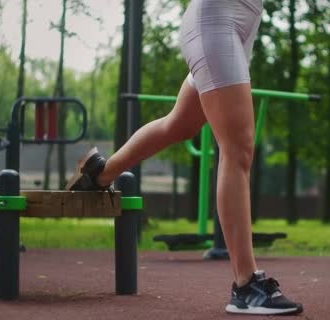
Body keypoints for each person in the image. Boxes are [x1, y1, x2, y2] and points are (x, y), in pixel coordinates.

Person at [66, 0, 303, 315]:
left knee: (179, 125)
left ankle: (100, 172)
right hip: (216, 21)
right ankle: (246, 285)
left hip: (236, 27)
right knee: (237, 149)